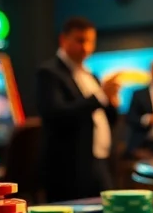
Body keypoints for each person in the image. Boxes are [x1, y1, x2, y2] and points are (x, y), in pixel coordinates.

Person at [36, 17, 121, 202]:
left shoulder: (92, 75)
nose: (86, 47)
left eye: (90, 41)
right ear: (63, 40)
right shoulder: (49, 72)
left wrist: (112, 102)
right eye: (80, 40)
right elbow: (56, 114)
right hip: (69, 167)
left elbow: (106, 118)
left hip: (99, 159)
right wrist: (100, 96)